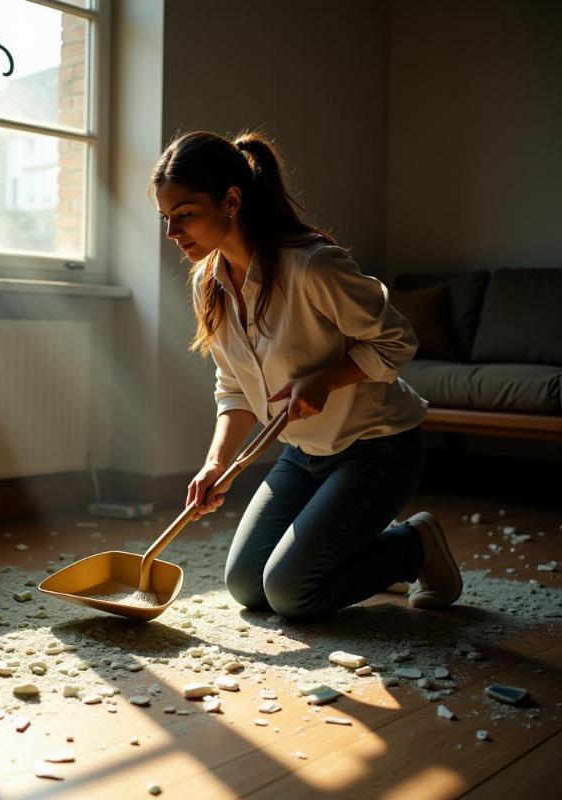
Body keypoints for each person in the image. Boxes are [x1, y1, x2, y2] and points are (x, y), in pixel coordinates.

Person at [150, 129, 462, 621]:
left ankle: (414, 546)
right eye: (166, 218)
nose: (171, 232)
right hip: (304, 455)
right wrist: (215, 464)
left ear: (231, 201)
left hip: (378, 448)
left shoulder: (313, 266)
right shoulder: (208, 283)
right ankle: (359, 548)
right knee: (247, 586)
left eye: (184, 214)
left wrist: (327, 378)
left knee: (291, 592)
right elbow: (234, 388)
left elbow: (398, 339)